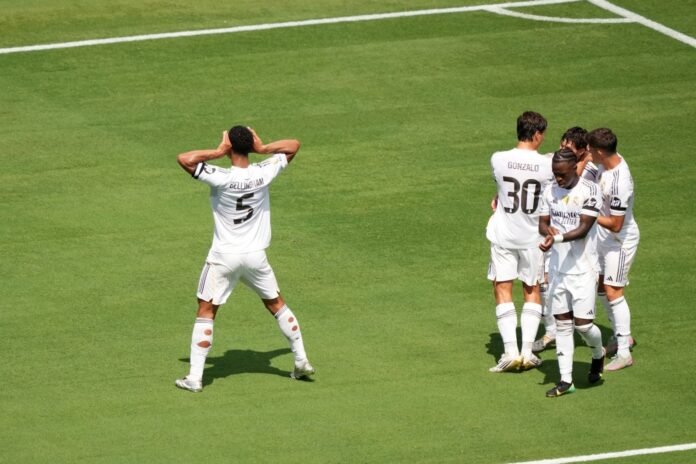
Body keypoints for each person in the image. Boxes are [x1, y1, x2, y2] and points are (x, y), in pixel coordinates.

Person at [174, 126, 314, 392]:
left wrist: (217, 151)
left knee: (206, 310)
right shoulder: (264, 172)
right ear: (251, 144)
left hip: (223, 256)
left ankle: (194, 377)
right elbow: (293, 143)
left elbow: (185, 159)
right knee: (276, 304)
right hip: (255, 257)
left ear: (229, 146)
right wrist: (262, 149)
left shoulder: (222, 178)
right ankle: (301, 360)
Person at [486, 111, 553, 372]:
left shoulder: (498, 159)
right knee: (531, 289)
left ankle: (510, 352)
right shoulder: (546, 165)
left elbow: (502, 189)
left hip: (503, 234)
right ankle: (527, 353)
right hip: (532, 238)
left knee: (502, 288)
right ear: (536, 134)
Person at [539, 148, 605, 397]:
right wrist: (548, 231)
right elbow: (542, 223)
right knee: (563, 324)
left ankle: (598, 354)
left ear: (575, 167)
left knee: (584, 326)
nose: (558, 179)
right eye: (555, 174)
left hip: (583, 270)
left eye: (562, 174)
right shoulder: (549, 190)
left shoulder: (590, 191)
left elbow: (584, 229)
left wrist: (555, 239)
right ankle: (566, 380)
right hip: (558, 270)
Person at [533, 126, 593, 353]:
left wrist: (587, 161)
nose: (562, 150)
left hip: (579, 240)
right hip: (550, 231)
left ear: (581, 151)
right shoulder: (553, 161)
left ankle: (604, 336)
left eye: (569, 148)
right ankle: (552, 332)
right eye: (562, 144)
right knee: (546, 280)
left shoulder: (588, 174)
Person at [587, 128, 640, 371]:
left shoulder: (620, 182)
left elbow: (616, 225)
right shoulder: (606, 163)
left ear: (599, 151)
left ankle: (624, 352)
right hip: (602, 239)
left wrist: (588, 213)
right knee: (600, 286)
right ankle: (621, 336)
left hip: (618, 243)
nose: (588, 153)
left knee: (612, 291)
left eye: (590, 150)